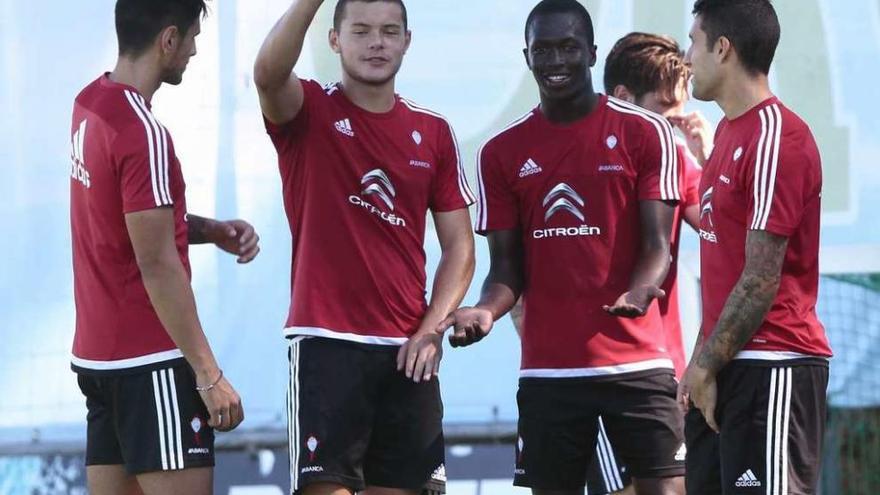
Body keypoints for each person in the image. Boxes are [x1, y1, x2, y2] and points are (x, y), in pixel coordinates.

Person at [442, 1, 685, 493]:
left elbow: (659, 244)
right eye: (543, 50)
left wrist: (640, 290)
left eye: (568, 47)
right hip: (549, 373)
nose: (556, 61)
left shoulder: (645, 131)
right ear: (526, 56)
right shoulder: (501, 152)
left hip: (636, 364)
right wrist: (486, 312)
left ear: (592, 53)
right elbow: (507, 270)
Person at [253, 1, 476, 494]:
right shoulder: (309, 109)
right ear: (334, 41)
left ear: (406, 41)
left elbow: (460, 248)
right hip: (327, 345)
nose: (376, 42)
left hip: (407, 352)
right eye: (361, 31)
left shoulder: (434, 132)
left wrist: (431, 327)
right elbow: (268, 74)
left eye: (389, 31)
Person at [70, 1, 260, 493]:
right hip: (150, 362)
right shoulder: (143, 133)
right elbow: (156, 263)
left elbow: (124, 220)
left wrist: (209, 229)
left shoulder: (89, 102)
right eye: (193, 38)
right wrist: (208, 374)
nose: (195, 50)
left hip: (100, 363)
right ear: (168, 40)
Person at [677, 1, 833, 493]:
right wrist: (700, 362)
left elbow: (762, 276)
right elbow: (724, 262)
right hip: (727, 366)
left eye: (693, 42)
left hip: (773, 365)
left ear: (723, 49)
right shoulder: (726, 132)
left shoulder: (778, 137)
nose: (686, 57)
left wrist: (704, 364)